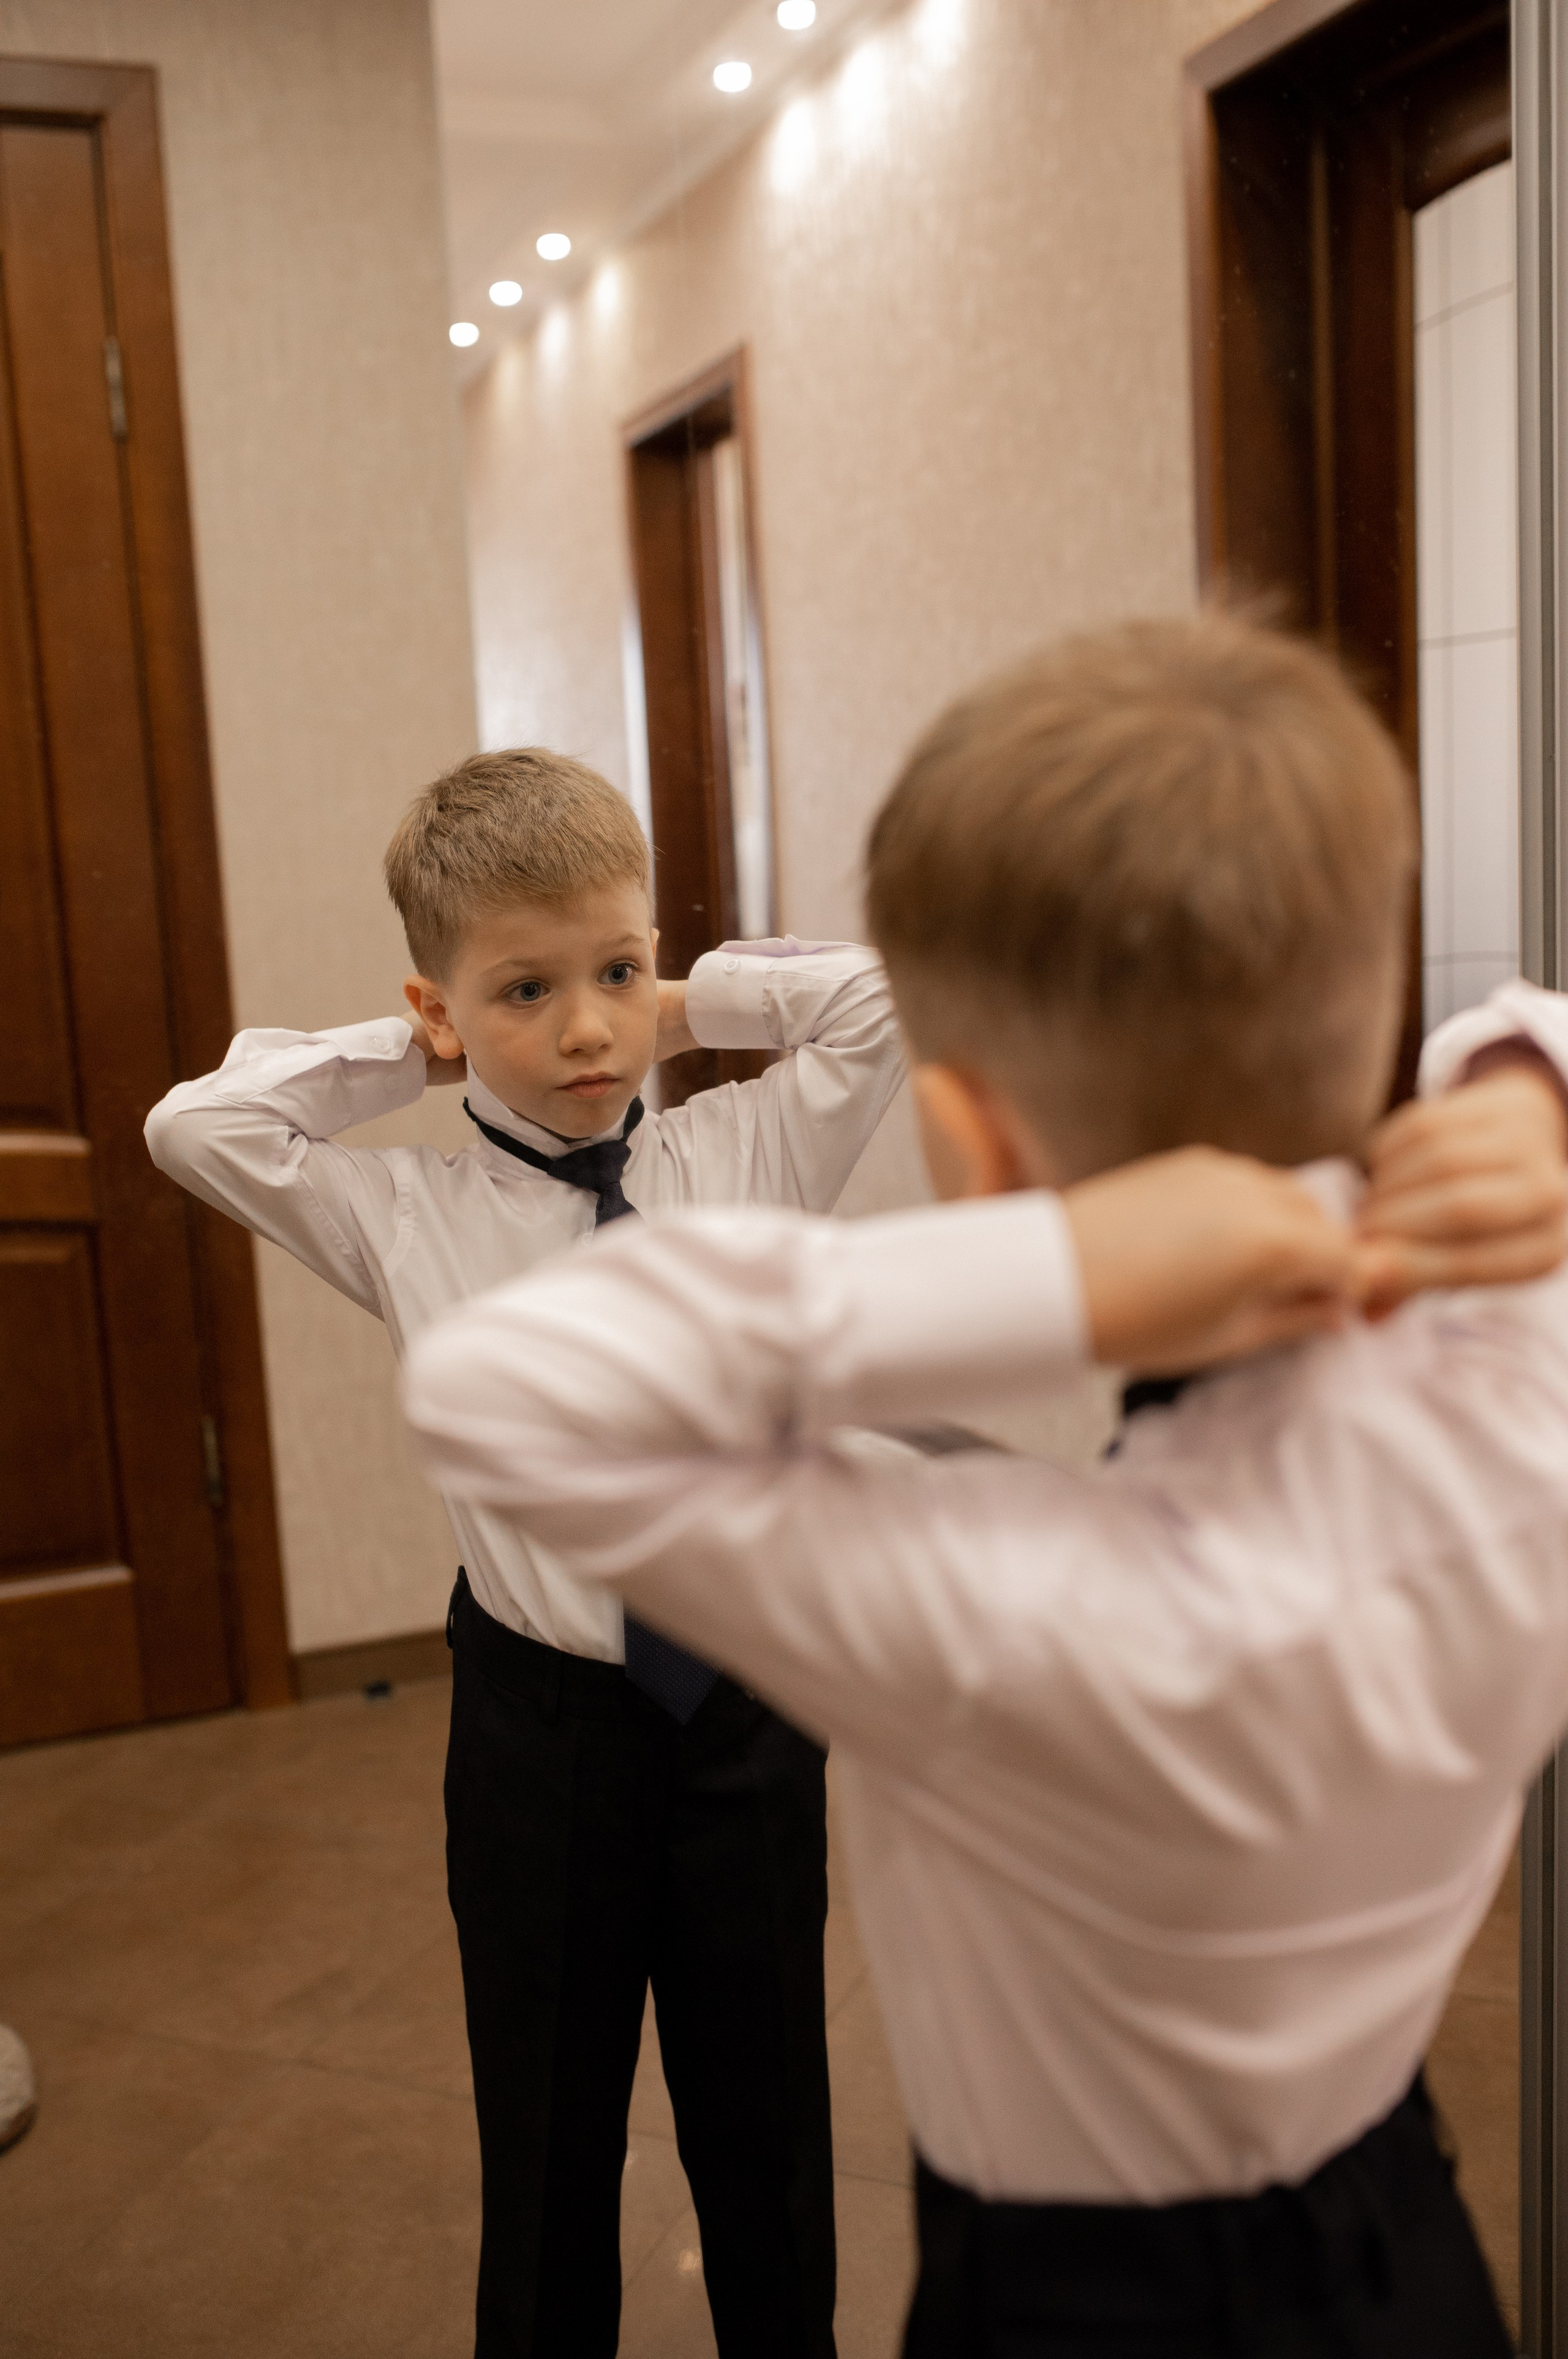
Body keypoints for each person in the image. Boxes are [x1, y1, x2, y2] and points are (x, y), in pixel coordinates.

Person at [402, 616, 1568, 2359]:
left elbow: (508, 1387)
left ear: (985, 1147)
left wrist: (1067, 1266)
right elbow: (1535, 1010)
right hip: (1408, 2267)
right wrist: (1524, 1086)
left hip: (1059, 2312)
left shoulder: (974, 1592)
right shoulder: (1521, 1398)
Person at [145, 748, 905, 2359]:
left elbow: (884, 999)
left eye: (614, 970)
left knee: (768, 2146)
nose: (582, 1030)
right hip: (539, 1740)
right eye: (525, 991)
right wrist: (413, 1051)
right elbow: (195, 1124)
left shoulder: (742, 1160)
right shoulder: (411, 1220)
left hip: (746, 1724)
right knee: (548, 2150)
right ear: (441, 1006)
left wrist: (676, 1005)